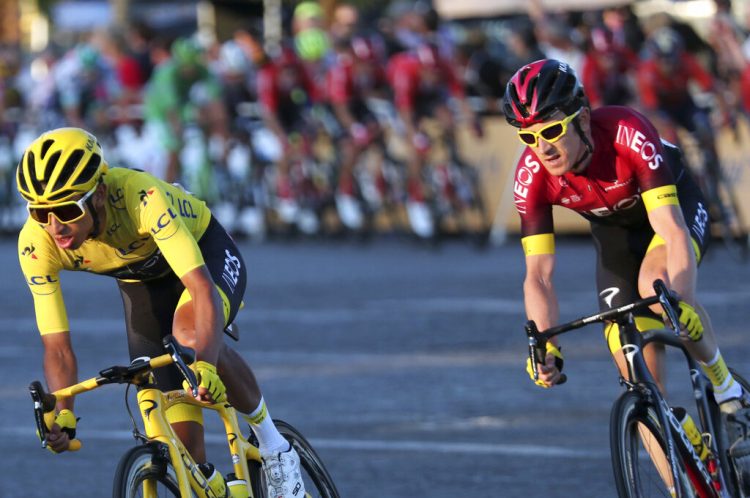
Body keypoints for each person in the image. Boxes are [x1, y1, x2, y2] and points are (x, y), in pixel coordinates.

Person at [16, 127, 304, 498]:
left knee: (190, 337)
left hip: (203, 255)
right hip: (142, 284)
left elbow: (201, 289)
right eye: (40, 212)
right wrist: (64, 410)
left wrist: (206, 364)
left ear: (99, 193)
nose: (54, 225)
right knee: (184, 450)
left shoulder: (141, 197)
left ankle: (274, 447)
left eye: (68, 209)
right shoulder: (36, 244)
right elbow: (57, 347)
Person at [503, 59, 748, 429]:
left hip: (671, 209)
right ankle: (681, 476)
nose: (543, 148)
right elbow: (539, 275)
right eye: (528, 137)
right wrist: (544, 344)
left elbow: (671, 229)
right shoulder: (531, 176)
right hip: (615, 237)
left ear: (582, 118)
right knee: (638, 378)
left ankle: (725, 386)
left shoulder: (626, 131)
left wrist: (681, 304)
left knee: (658, 287)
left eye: (551, 131)